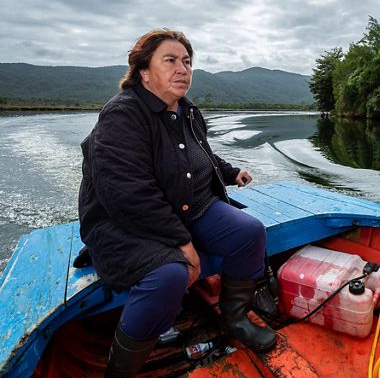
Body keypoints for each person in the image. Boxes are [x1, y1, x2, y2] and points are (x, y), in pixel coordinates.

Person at [78, 29, 276, 377]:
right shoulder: (122, 115)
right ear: (143, 71)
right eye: (170, 60)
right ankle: (121, 370)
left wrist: (230, 173)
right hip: (123, 219)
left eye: (186, 61)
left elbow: (201, 155)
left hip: (189, 206)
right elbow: (127, 194)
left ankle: (234, 319)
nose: (182, 68)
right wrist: (183, 243)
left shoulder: (187, 111)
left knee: (250, 233)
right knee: (169, 275)